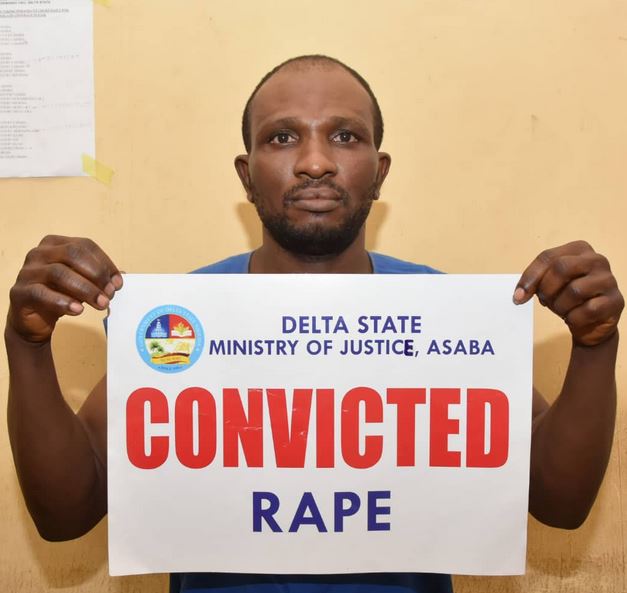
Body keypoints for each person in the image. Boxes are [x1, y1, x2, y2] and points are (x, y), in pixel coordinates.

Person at [5, 55, 623, 593]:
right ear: (246, 174)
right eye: (282, 138)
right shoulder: (182, 316)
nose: (315, 162)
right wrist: (27, 346)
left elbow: (559, 505)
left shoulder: (443, 314)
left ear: (380, 170)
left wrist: (595, 347)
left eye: (345, 136)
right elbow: (66, 517)